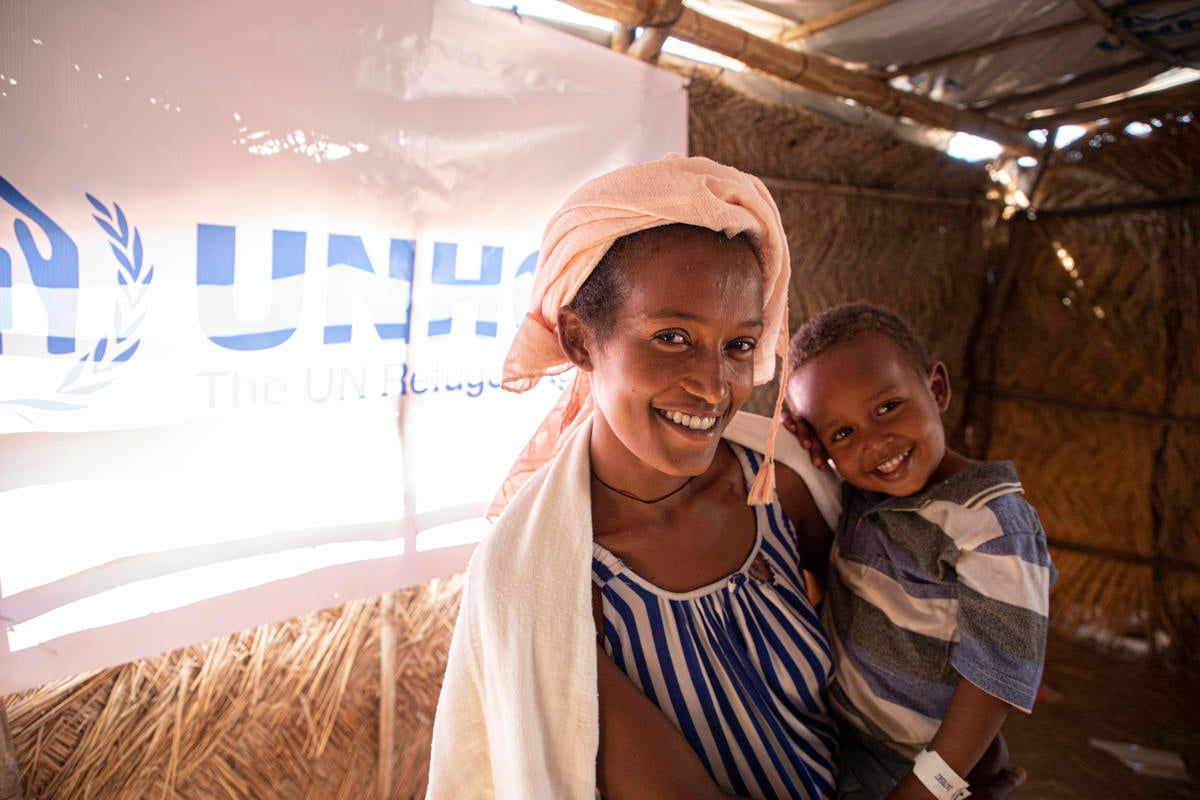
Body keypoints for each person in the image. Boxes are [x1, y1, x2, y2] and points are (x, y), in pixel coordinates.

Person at [426, 154, 847, 800]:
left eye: (739, 345)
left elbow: (896, 632)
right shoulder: (549, 578)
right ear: (577, 340)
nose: (713, 387)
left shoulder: (779, 485)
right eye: (673, 337)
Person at [784, 302, 1056, 800]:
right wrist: (794, 437)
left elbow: (996, 675)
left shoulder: (991, 523)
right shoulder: (861, 495)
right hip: (839, 733)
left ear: (937, 389)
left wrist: (930, 787)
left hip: (912, 765)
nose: (876, 443)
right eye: (842, 432)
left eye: (888, 407)